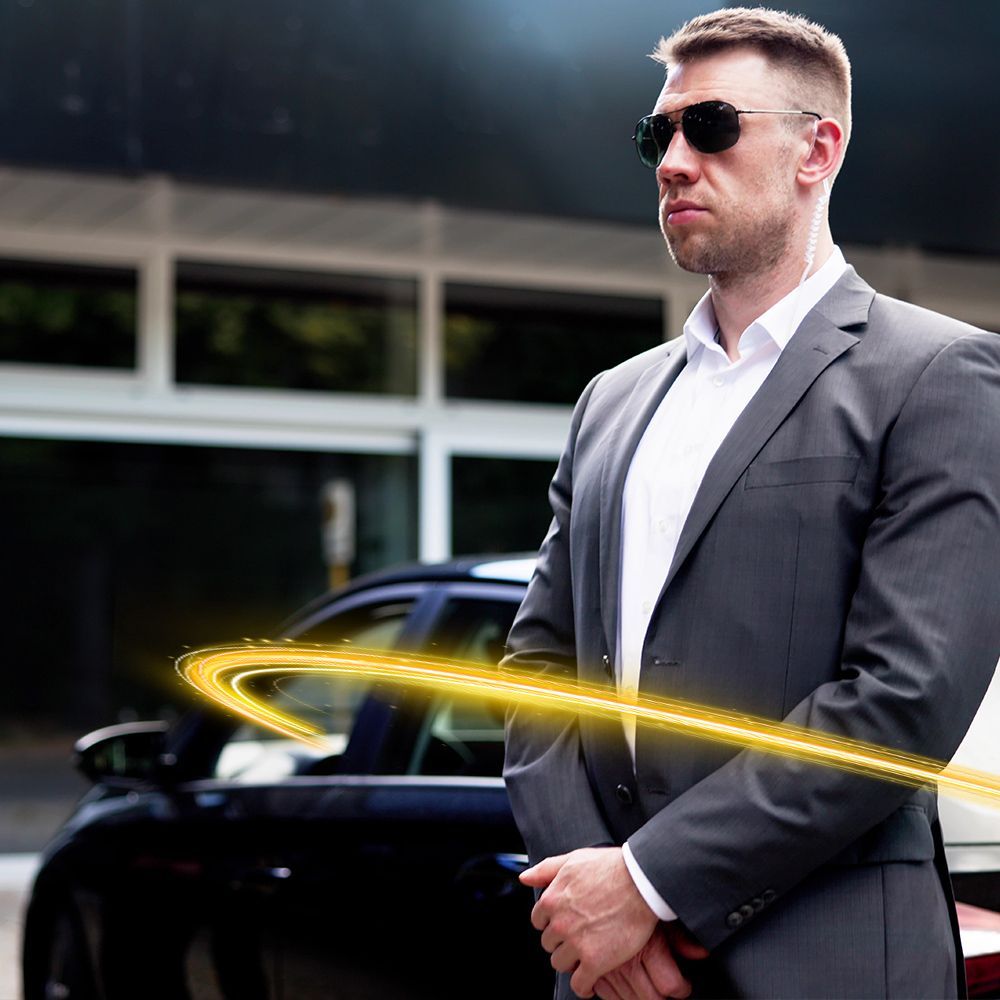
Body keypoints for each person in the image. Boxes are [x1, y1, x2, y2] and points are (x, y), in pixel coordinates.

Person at [501, 8, 1000, 999]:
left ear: (818, 148)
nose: (673, 161)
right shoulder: (612, 399)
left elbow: (903, 698)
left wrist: (645, 882)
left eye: (712, 127)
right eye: (659, 134)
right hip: (608, 970)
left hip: (830, 961)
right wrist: (595, 895)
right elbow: (537, 670)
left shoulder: (940, 375)